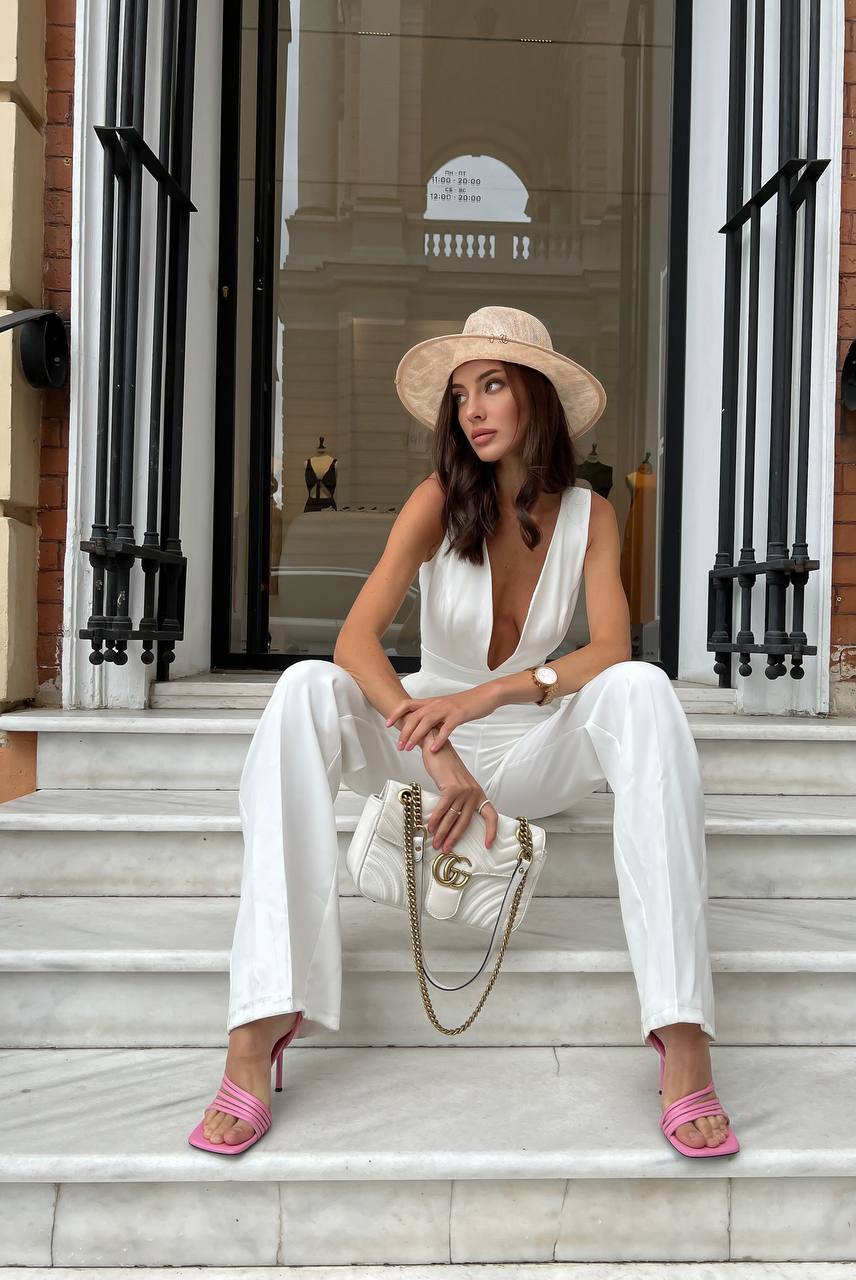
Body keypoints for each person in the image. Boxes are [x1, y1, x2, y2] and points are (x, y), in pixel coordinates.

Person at [188, 305, 739, 1160]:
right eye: (460, 395)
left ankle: (682, 1030)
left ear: (537, 401)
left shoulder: (592, 515)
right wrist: (440, 756)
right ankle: (260, 1020)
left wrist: (494, 698)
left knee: (642, 691)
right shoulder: (438, 501)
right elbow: (354, 641)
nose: (473, 410)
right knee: (304, 689)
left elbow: (609, 649)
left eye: (493, 386)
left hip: (526, 747)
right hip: (421, 749)